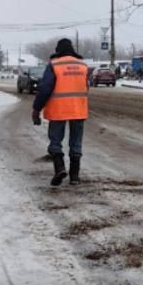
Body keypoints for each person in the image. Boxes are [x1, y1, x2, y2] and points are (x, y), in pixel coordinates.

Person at [31, 38, 89, 186]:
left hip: (58, 110)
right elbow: (86, 87)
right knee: (76, 143)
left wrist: (36, 109)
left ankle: (60, 168)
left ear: (58, 50)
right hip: (78, 110)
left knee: (55, 142)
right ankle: (74, 176)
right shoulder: (82, 65)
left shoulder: (54, 65)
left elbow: (45, 89)